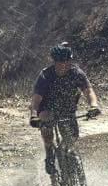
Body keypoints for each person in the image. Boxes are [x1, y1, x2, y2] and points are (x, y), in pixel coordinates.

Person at [30, 42, 101, 175]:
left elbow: (88, 91)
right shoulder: (45, 75)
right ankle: (49, 154)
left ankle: (65, 156)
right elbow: (36, 99)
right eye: (61, 62)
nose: (64, 65)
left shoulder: (77, 73)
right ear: (55, 62)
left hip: (68, 110)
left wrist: (93, 106)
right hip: (48, 108)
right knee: (46, 123)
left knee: (72, 138)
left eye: (67, 61)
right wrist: (34, 115)